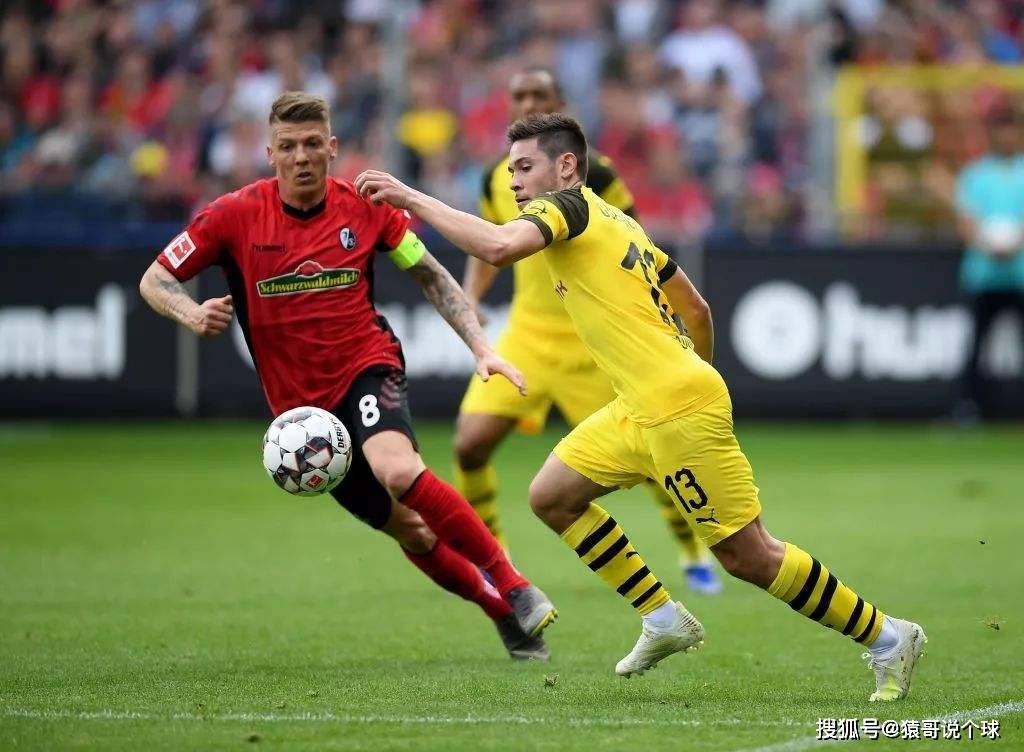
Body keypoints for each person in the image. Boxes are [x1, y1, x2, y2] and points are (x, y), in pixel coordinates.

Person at [355, 113, 926, 701]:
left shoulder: (566, 207)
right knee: (552, 496)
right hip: (639, 405)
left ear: (567, 166)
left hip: (675, 407)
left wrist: (410, 197)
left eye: (524, 168)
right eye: (510, 171)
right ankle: (662, 616)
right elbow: (696, 307)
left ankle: (888, 636)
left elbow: (499, 247)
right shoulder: (618, 220)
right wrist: (696, 373)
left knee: (748, 555)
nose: (514, 182)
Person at [139, 92, 556, 661]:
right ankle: (503, 614)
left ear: (332, 147)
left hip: (367, 365)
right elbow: (155, 279)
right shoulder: (232, 216)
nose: (302, 157)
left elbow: (431, 275)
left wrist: (481, 347)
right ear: (270, 154)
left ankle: (513, 583)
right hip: (303, 418)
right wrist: (190, 313)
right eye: (289, 146)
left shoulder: (365, 207)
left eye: (313, 143)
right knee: (413, 531)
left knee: (398, 469)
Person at [456, 67, 721, 594]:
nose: (528, 102)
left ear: (560, 104)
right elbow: (491, 241)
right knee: (469, 445)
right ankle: (492, 557)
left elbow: (632, 242)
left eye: (539, 94)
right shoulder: (498, 178)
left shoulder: (594, 174)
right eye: (519, 95)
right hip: (528, 335)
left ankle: (692, 550)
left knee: (653, 455)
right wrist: (471, 297)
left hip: (590, 342)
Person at [953, 106, 1024, 423]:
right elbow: (966, 222)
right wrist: (989, 246)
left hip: (1020, 274)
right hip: (984, 275)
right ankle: (968, 406)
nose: (1007, 137)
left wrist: (1014, 245)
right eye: (1001, 131)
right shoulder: (976, 175)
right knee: (975, 346)